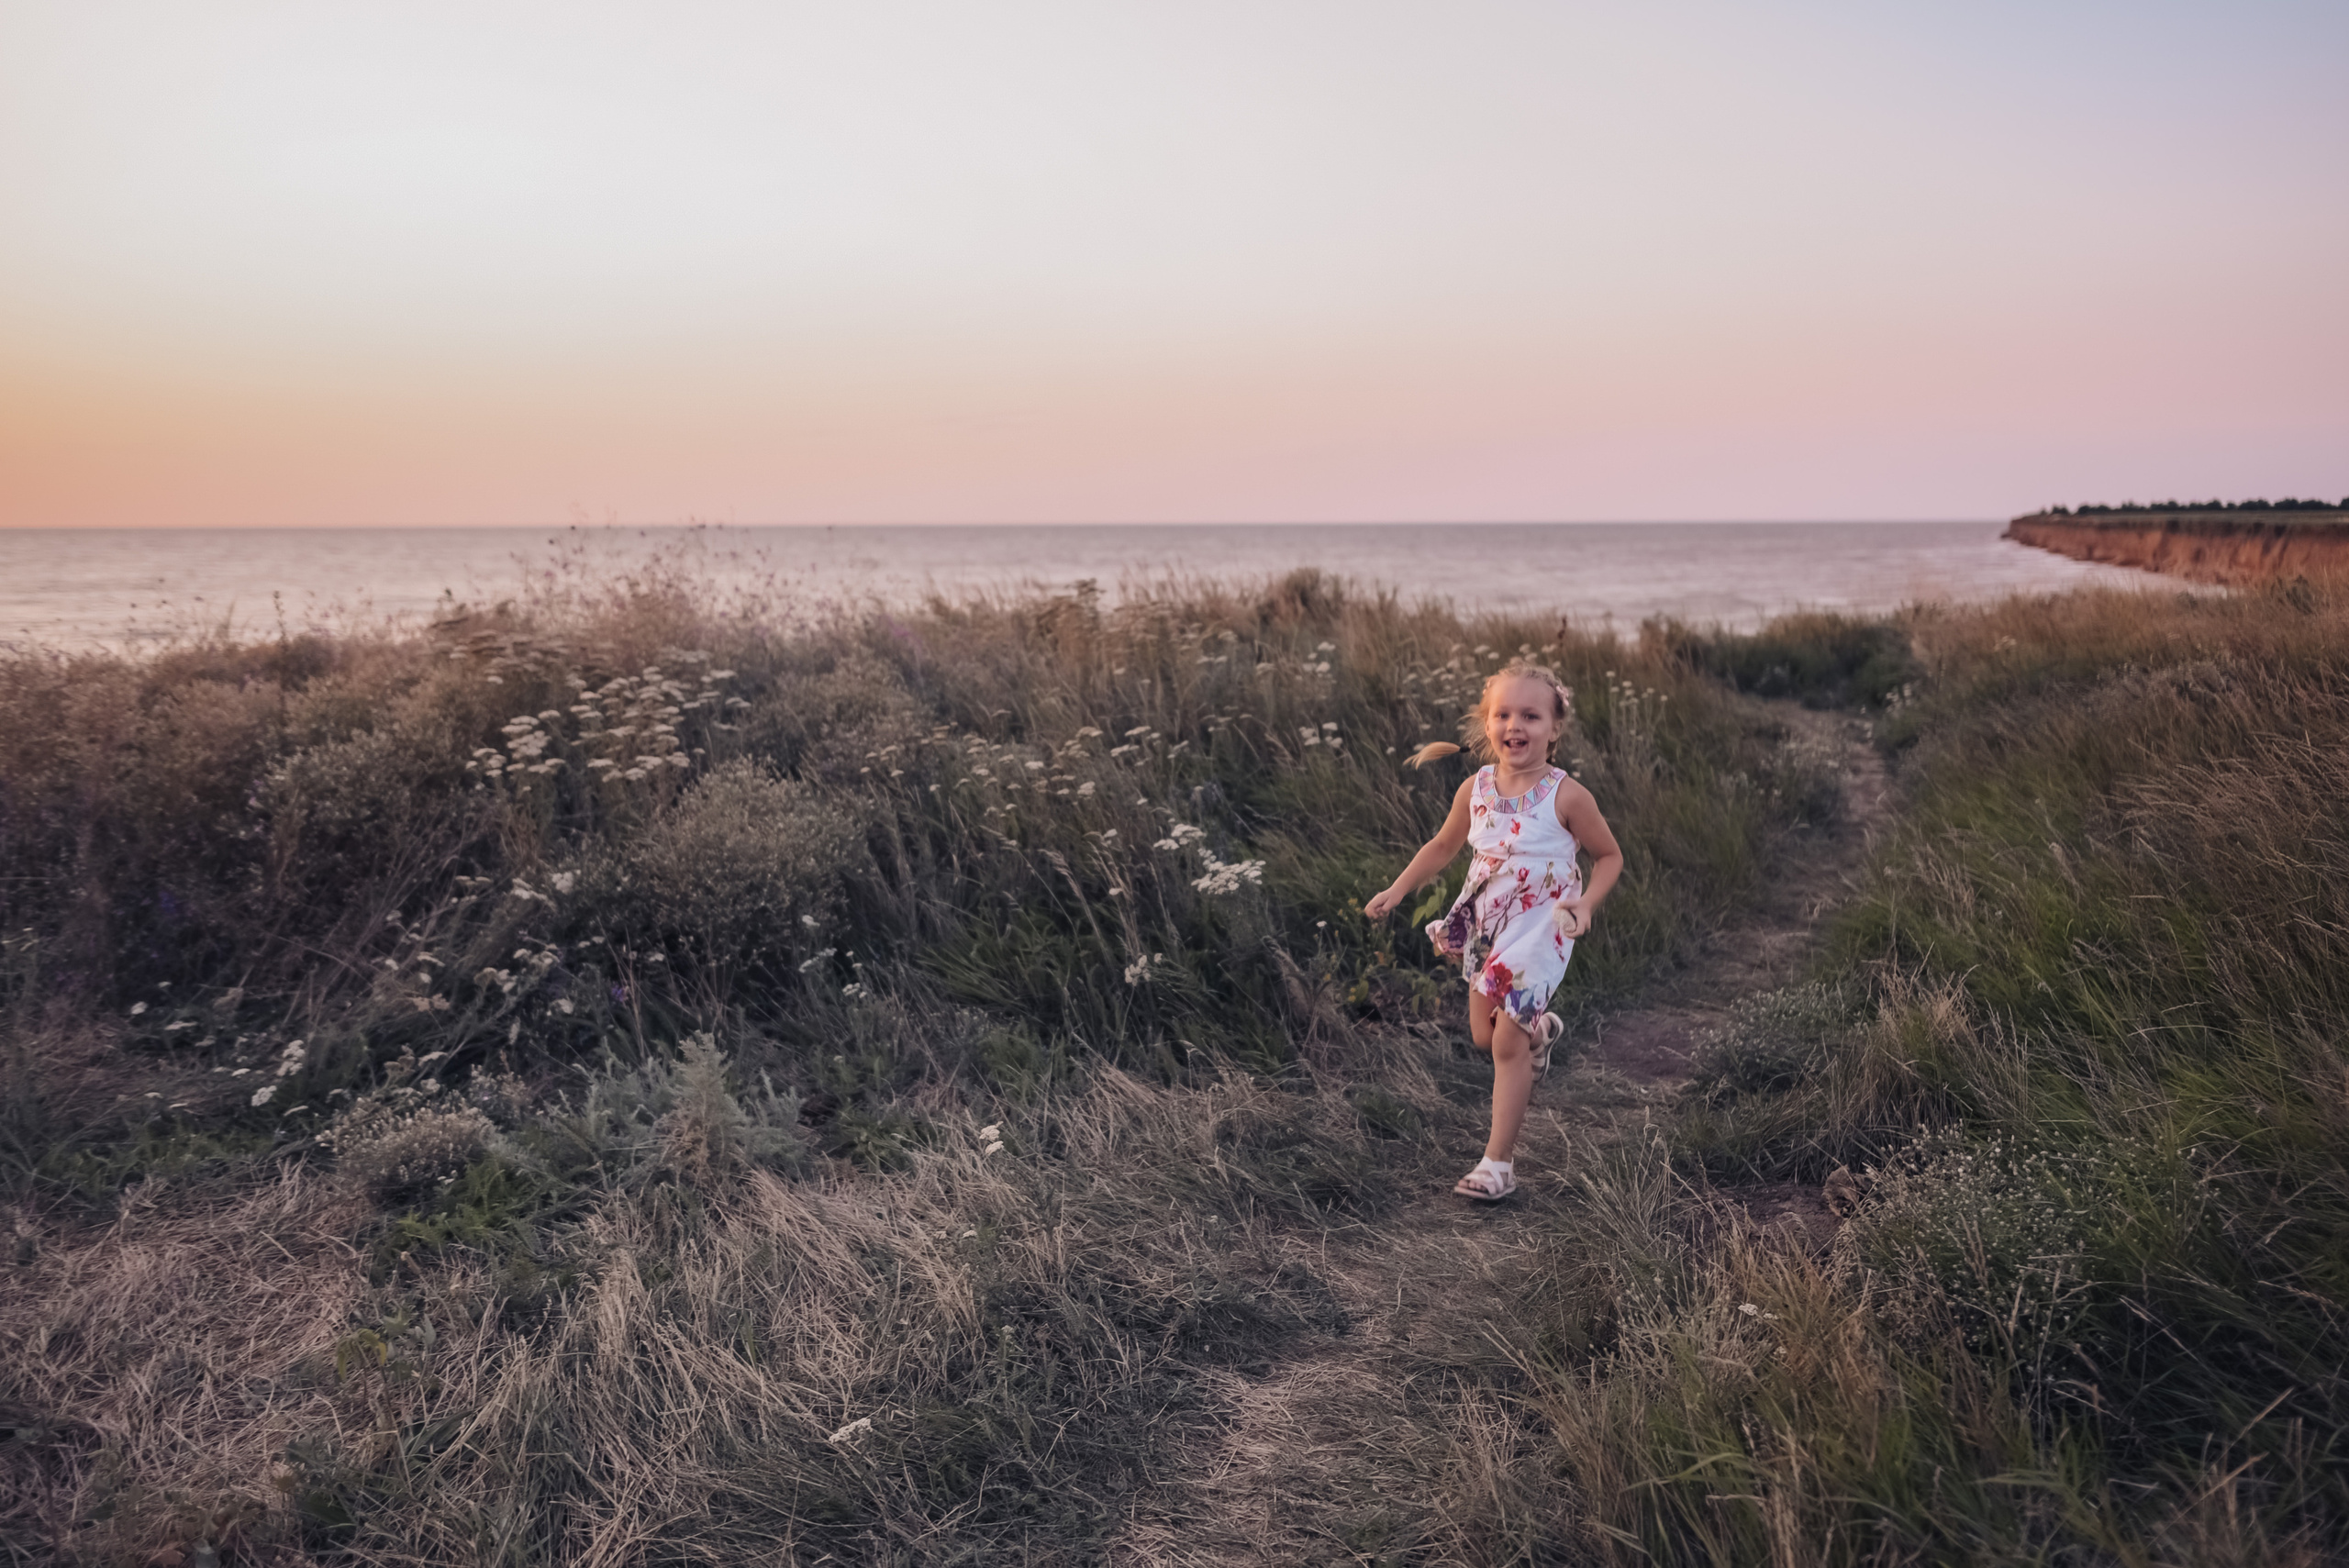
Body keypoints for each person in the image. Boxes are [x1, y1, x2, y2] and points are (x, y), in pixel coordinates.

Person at [1364, 662, 1622, 1201]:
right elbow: (1442, 846)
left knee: (1506, 1042)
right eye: (1503, 714)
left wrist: (1587, 904)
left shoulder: (1567, 796)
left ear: (1554, 728)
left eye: (1531, 715)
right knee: (1486, 1037)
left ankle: (1497, 1166)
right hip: (1488, 925)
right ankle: (1541, 1032)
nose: (1515, 725)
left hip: (1543, 928)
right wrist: (1398, 889)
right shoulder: (1475, 788)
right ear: (1487, 724)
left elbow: (1609, 856)